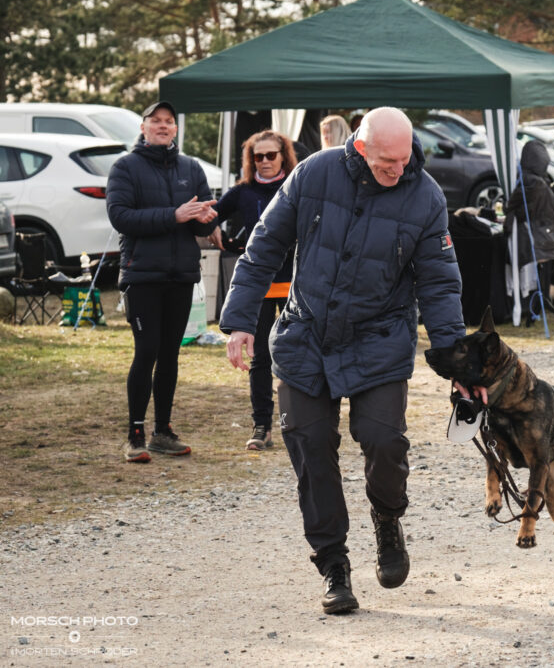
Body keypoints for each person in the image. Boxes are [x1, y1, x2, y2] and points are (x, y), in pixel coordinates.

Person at [220, 107, 464, 614]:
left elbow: (439, 283)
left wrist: (457, 363)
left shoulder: (425, 196)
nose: (399, 170)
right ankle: (334, 564)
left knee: (383, 440)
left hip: (380, 338)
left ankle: (387, 518)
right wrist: (240, 318)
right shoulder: (314, 173)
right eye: (386, 163)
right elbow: (264, 245)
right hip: (305, 336)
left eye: (405, 159)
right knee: (311, 449)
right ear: (358, 146)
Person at [106, 100, 218, 463]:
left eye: (169, 121)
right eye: (156, 121)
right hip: (142, 275)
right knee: (147, 351)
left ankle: (163, 432)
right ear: (143, 127)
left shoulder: (191, 167)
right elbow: (121, 217)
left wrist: (207, 218)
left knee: (170, 353)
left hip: (181, 274)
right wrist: (175, 215)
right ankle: (134, 434)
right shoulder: (125, 167)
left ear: (176, 129)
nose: (163, 126)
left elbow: (200, 222)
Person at [208, 130, 298, 450]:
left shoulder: (297, 185)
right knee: (259, 359)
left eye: (271, 155)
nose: (264, 162)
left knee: (296, 354)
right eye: (257, 156)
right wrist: (216, 231)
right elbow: (209, 216)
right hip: (258, 287)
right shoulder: (243, 191)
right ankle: (262, 426)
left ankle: (299, 423)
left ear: (283, 156)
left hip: (294, 286)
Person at [503, 139, 554, 320]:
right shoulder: (539, 181)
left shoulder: (529, 181)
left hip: (536, 238)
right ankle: (538, 305)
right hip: (546, 237)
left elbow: (518, 210)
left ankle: (534, 307)